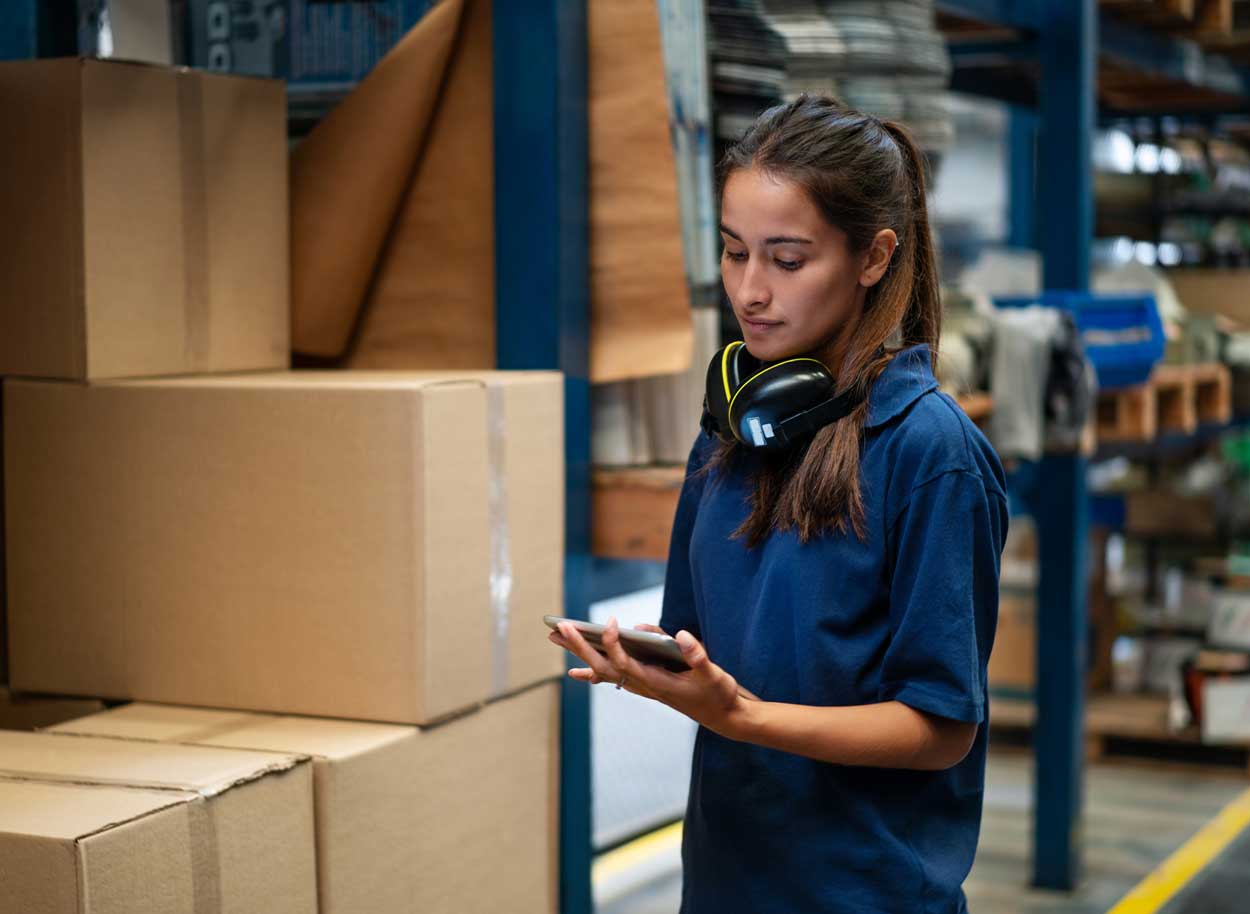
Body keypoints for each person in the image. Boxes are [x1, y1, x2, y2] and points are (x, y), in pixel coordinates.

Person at [549, 94, 1008, 914]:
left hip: (863, 895)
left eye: (787, 260)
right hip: (728, 883)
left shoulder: (931, 456)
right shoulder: (729, 433)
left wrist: (745, 718)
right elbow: (702, 642)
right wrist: (647, 664)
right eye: (733, 254)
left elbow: (941, 728)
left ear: (874, 257)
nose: (750, 292)